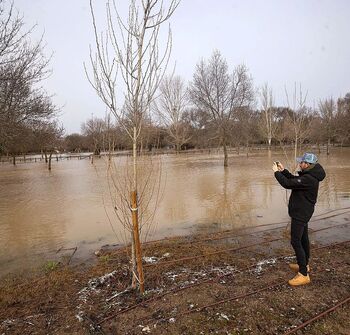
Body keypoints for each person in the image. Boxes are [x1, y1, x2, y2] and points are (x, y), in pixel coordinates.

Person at [272, 153, 326, 286]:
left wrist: (276, 173)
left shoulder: (309, 179)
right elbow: (293, 180)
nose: (299, 164)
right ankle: (305, 265)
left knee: (295, 241)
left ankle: (303, 274)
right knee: (303, 239)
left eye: (301, 162)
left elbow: (287, 184)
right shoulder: (310, 175)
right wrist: (283, 171)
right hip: (303, 212)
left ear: (307, 164)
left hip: (301, 213)